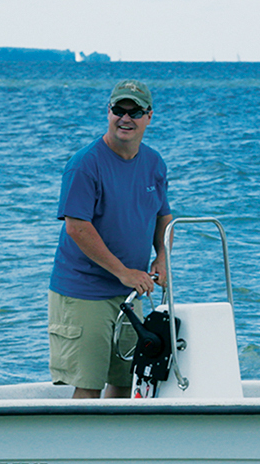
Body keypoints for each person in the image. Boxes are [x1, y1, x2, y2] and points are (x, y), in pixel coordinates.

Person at [48, 81, 173, 398]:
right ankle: (78, 449)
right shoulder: (84, 164)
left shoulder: (154, 163)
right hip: (84, 292)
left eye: (135, 112)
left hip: (131, 294)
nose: (125, 118)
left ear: (149, 117)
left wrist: (162, 257)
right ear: (109, 112)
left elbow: (163, 216)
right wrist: (123, 272)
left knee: (128, 382)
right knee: (89, 386)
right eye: (119, 110)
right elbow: (77, 228)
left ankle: (115, 449)